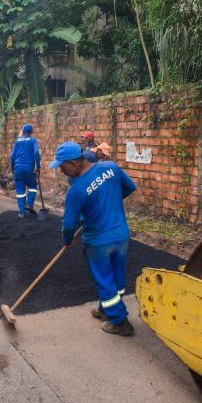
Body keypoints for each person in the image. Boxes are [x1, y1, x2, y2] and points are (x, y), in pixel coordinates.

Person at [49, 141, 137, 336]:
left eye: (62, 166)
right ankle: (105, 308)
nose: (62, 171)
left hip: (98, 243)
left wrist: (67, 239)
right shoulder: (111, 167)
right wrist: (108, 200)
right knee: (116, 275)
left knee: (104, 280)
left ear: (73, 163)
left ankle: (119, 321)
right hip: (121, 235)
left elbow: (69, 225)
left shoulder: (76, 190)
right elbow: (130, 187)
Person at [10, 123, 41, 218]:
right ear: (31, 132)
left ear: (23, 131)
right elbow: (36, 152)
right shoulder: (33, 140)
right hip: (29, 169)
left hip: (18, 169)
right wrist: (38, 166)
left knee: (20, 191)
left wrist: (13, 168)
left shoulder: (17, 141)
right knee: (32, 186)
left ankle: (22, 212)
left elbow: (12, 156)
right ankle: (29, 204)